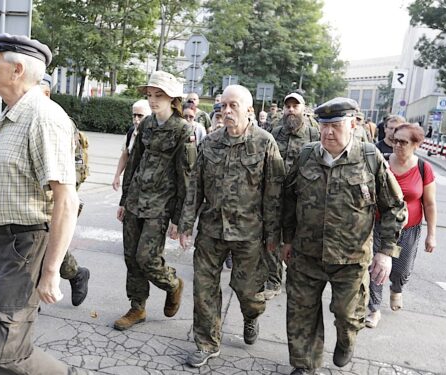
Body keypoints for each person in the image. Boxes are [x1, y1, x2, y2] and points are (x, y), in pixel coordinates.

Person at [0, 33, 89, 375]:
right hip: (1, 244)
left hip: (25, 246)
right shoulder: (14, 115)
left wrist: (52, 271)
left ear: (16, 69)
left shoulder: (44, 116)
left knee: (6, 354)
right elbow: (10, 192)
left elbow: (66, 201)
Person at [281, 97, 406, 375]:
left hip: (351, 260)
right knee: (301, 313)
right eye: (323, 126)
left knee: (347, 315)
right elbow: (289, 200)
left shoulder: (370, 159)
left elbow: (394, 207)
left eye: (335, 126)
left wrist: (386, 252)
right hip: (306, 254)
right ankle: (304, 364)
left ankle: (347, 340)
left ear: (353, 124)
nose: (328, 132)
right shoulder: (306, 156)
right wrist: (287, 239)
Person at [178, 85, 284, 367]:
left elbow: (274, 193)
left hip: (250, 232)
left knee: (248, 291)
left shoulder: (264, 143)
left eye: (233, 106)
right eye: (223, 105)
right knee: (204, 287)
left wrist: (274, 238)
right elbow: (195, 187)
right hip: (212, 229)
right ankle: (206, 343)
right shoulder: (210, 142)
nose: (226, 111)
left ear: (249, 111)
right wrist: (186, 224)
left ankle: (252, 315)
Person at [114, 71, 197, 331]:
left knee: (147, 258)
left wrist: (179, 220)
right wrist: (124, 199)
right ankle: (137, 307)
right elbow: (134, 162)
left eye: (158, 95)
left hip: (160, 206)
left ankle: (173, 284)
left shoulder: (184, 131)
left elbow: (186, 178)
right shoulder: (147, 124)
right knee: (131, 257)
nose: (152, 100)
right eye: (150, 95)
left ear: (173, 98)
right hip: (136, 200)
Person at [366, 123, 437, 328]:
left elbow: (430, 204)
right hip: (380, 225)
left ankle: (396, 288)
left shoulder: (424, 168)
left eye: (403, 142)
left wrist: (431, 234)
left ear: (416, 144)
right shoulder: (383, 163)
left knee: (401, 270)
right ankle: (374, 309)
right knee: (376, 268)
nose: (397, 145)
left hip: (409, 228)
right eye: (395, 140)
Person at [40, 73, 91, 307]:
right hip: (33, 200)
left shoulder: (61, 123)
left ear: (46, 92)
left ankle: (76, 274)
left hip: (53, 199)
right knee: (40, 245)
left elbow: (78, 169)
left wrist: (58, 197)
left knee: (47, 243)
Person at [265, 92, 320, 300]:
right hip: (276, 194)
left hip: (301, 197)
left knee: (297, 239)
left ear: (303, 110)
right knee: (273, 236)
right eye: (287, 106)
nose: (290, 110)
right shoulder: (276, 132)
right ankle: (273, 279)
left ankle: (295, 276)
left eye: (295, 106)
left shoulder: (314, 135)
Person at [112, 100, 151, 191]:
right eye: (134, 115)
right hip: (130, 182)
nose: (136, 120)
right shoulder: (131, 133)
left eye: (140, 116)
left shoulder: (154, 135)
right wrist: (117, 175)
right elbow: (125, 155)